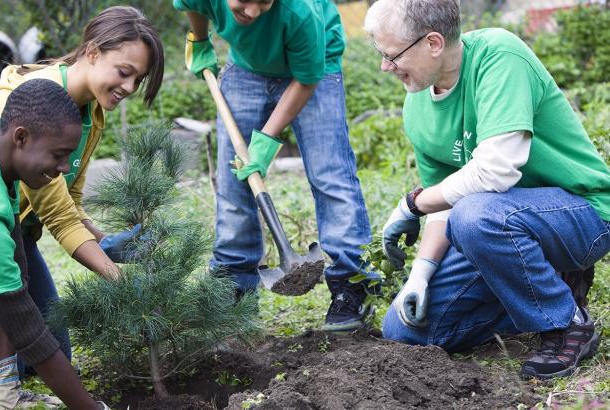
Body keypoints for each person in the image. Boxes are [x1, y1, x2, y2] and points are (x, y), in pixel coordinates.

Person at [364, 0, 610, 379]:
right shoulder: (417, 105)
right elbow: (443, 200)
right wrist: (421, 274)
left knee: (475, 214)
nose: (385, 66)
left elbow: (496, 171)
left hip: (582, 212)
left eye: (391, 55)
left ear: (432, 43)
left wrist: (412, 205)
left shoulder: (499, 57)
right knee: (405, 330)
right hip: (501, 228)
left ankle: (565, 324)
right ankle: (547, 285)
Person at [0, 5, 164, 405]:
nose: (129, 87)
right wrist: (119, 279)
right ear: (92, 52)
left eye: (138, 79)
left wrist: (102, 238)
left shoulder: (87, 113)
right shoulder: (20, 120)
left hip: (4, 235)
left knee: (47, 344)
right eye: (124, 72)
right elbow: (57, 220)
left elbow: (63, 204)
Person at [173, 0, 378, 333]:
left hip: (315, 68)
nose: (252, 12)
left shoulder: (300, 12)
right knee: (233, 179)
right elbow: (192, 5)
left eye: (264, 1)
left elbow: (306, 79)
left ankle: (350, 286)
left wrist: (265, 141)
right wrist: (199, 39)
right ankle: (234, 286)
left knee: (331, 175)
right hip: (246, 68)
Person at [0, 79, 109, 409]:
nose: (61, 170)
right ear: (21, 137)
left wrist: (6, 377)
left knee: (10, 359)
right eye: (58, 155)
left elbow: (15, 264)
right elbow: (27, 330)